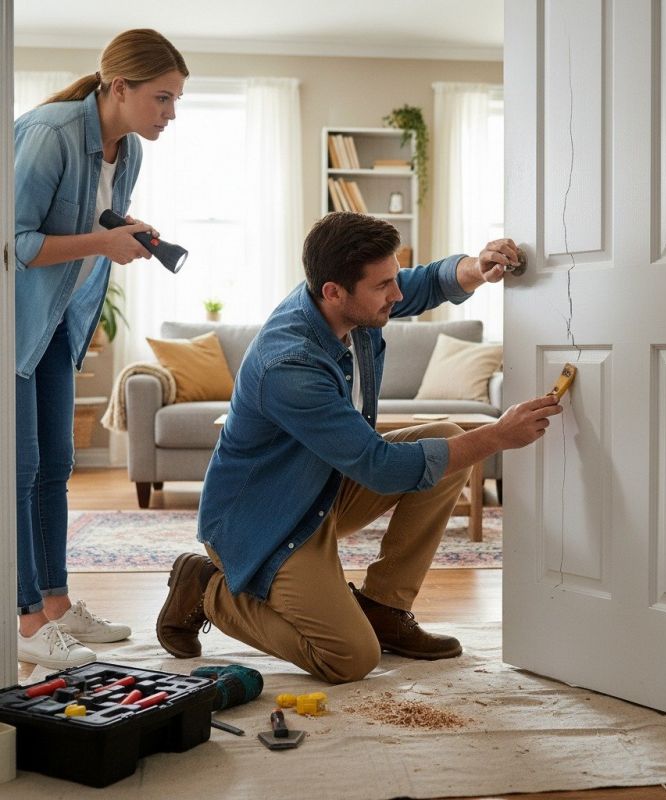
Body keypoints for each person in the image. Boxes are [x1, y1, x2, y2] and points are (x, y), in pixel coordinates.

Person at [156, 211, 562, 684]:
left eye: (394, 279)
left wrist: (477, 267)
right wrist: (496, 436)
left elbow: (423, 283)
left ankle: (383, 607)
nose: (397, 294)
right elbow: (381, 468)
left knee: (449, 440)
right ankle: (207, 588)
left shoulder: (344, 299)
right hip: (264, 521)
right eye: (384, 286)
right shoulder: (288, 365)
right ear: (335, 291)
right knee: (348, 659)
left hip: (322, 488)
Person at [15, 29, 189, 669]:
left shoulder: (129, 150)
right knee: (22, 470)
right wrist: (101, 244)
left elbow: (97, 222)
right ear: (120, 87)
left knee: (57, 467)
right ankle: (25, 621)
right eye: (163, 99)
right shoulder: (51, 133)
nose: (170, 114)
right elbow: (18, 243)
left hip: (64, 319)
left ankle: (56, 605)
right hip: (20, 322)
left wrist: (129, 233)